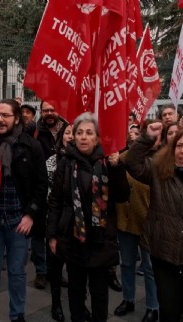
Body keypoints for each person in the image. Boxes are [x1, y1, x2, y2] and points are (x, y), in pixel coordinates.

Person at [47, 112, 130, 322]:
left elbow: (122, 196)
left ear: (98, 138)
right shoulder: (66, 163)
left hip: (101, 242)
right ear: (73, 136)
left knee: (100, 297)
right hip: (73, 240)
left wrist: (117, 168)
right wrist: (52, 235)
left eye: (89, 133)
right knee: (75, 295)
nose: (83, 137)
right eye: (79, 132)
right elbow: (56, 200)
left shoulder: (108, 161)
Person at [0, 99, 47, 322]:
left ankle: (17, 314)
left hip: (19, 222)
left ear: (17, 118)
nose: (0, 120)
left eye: (5, 115)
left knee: (17, 272)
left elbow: (41, 186)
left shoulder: (31, 146)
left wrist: (31, 214)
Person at [125, 122, 183, 322]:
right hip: (165, 256)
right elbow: (132, 163)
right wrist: (146, 139)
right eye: (180, 145)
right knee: (170, 311)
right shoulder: (159, 170)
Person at [114, 121, 160, 322]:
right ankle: (128, 298)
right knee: (126, 263)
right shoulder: (128, 157)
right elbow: (117, 167)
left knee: (150, 268)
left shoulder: (162, 162)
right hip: (126, 220)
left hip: (149, 224)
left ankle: (153, 306)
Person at [33, 100, 69, 290]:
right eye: (45, 110)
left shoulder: (68, 130)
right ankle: (41, 271)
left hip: (61, 194)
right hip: (40, 191)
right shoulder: (35, 131)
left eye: (52, 110)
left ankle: (54, 270)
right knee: (39, 234)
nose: (49, 113)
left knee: (56, 233)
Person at [45, 124, 73, 322]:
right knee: (56, 267)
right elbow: (50, 196)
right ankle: (56, 304)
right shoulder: (52, 162)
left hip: (79, 225)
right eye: (69, 132)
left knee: (78, 270)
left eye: (77, 131)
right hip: (56, 222)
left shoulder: (91, 162)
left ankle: (79, 303)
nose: (72, 136)